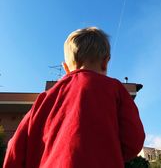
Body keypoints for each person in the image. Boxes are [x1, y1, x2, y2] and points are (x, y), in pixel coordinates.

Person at [3, 27, 145, 168]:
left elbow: (15, 149)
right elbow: (134, 141)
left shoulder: (43, 99)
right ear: (105, 62)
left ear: (65, 68)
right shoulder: (116, 88)